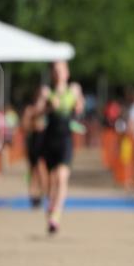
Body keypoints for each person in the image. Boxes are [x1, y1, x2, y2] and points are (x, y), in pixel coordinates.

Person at [36, 61, 84, 235]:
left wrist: (77, 107)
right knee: (51, 181)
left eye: (61, 70)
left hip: (65, 139)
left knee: (62, 177)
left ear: (67, 73)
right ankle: (51, 208)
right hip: (50, 139)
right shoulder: (46, 92)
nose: (58, 73)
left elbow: (80, 107)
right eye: (55, 71)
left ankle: (56, 214)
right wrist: (49, 107)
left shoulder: (74, 90)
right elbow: (37, 112)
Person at [21, 89, 48, 208]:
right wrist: (34, 125)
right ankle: (33, 196)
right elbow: (24, 126)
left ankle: (42, 194)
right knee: (33, 170)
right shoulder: (30, 110)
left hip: (45, 143)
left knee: (43, 170)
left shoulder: (48, 110)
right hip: (34, 142)